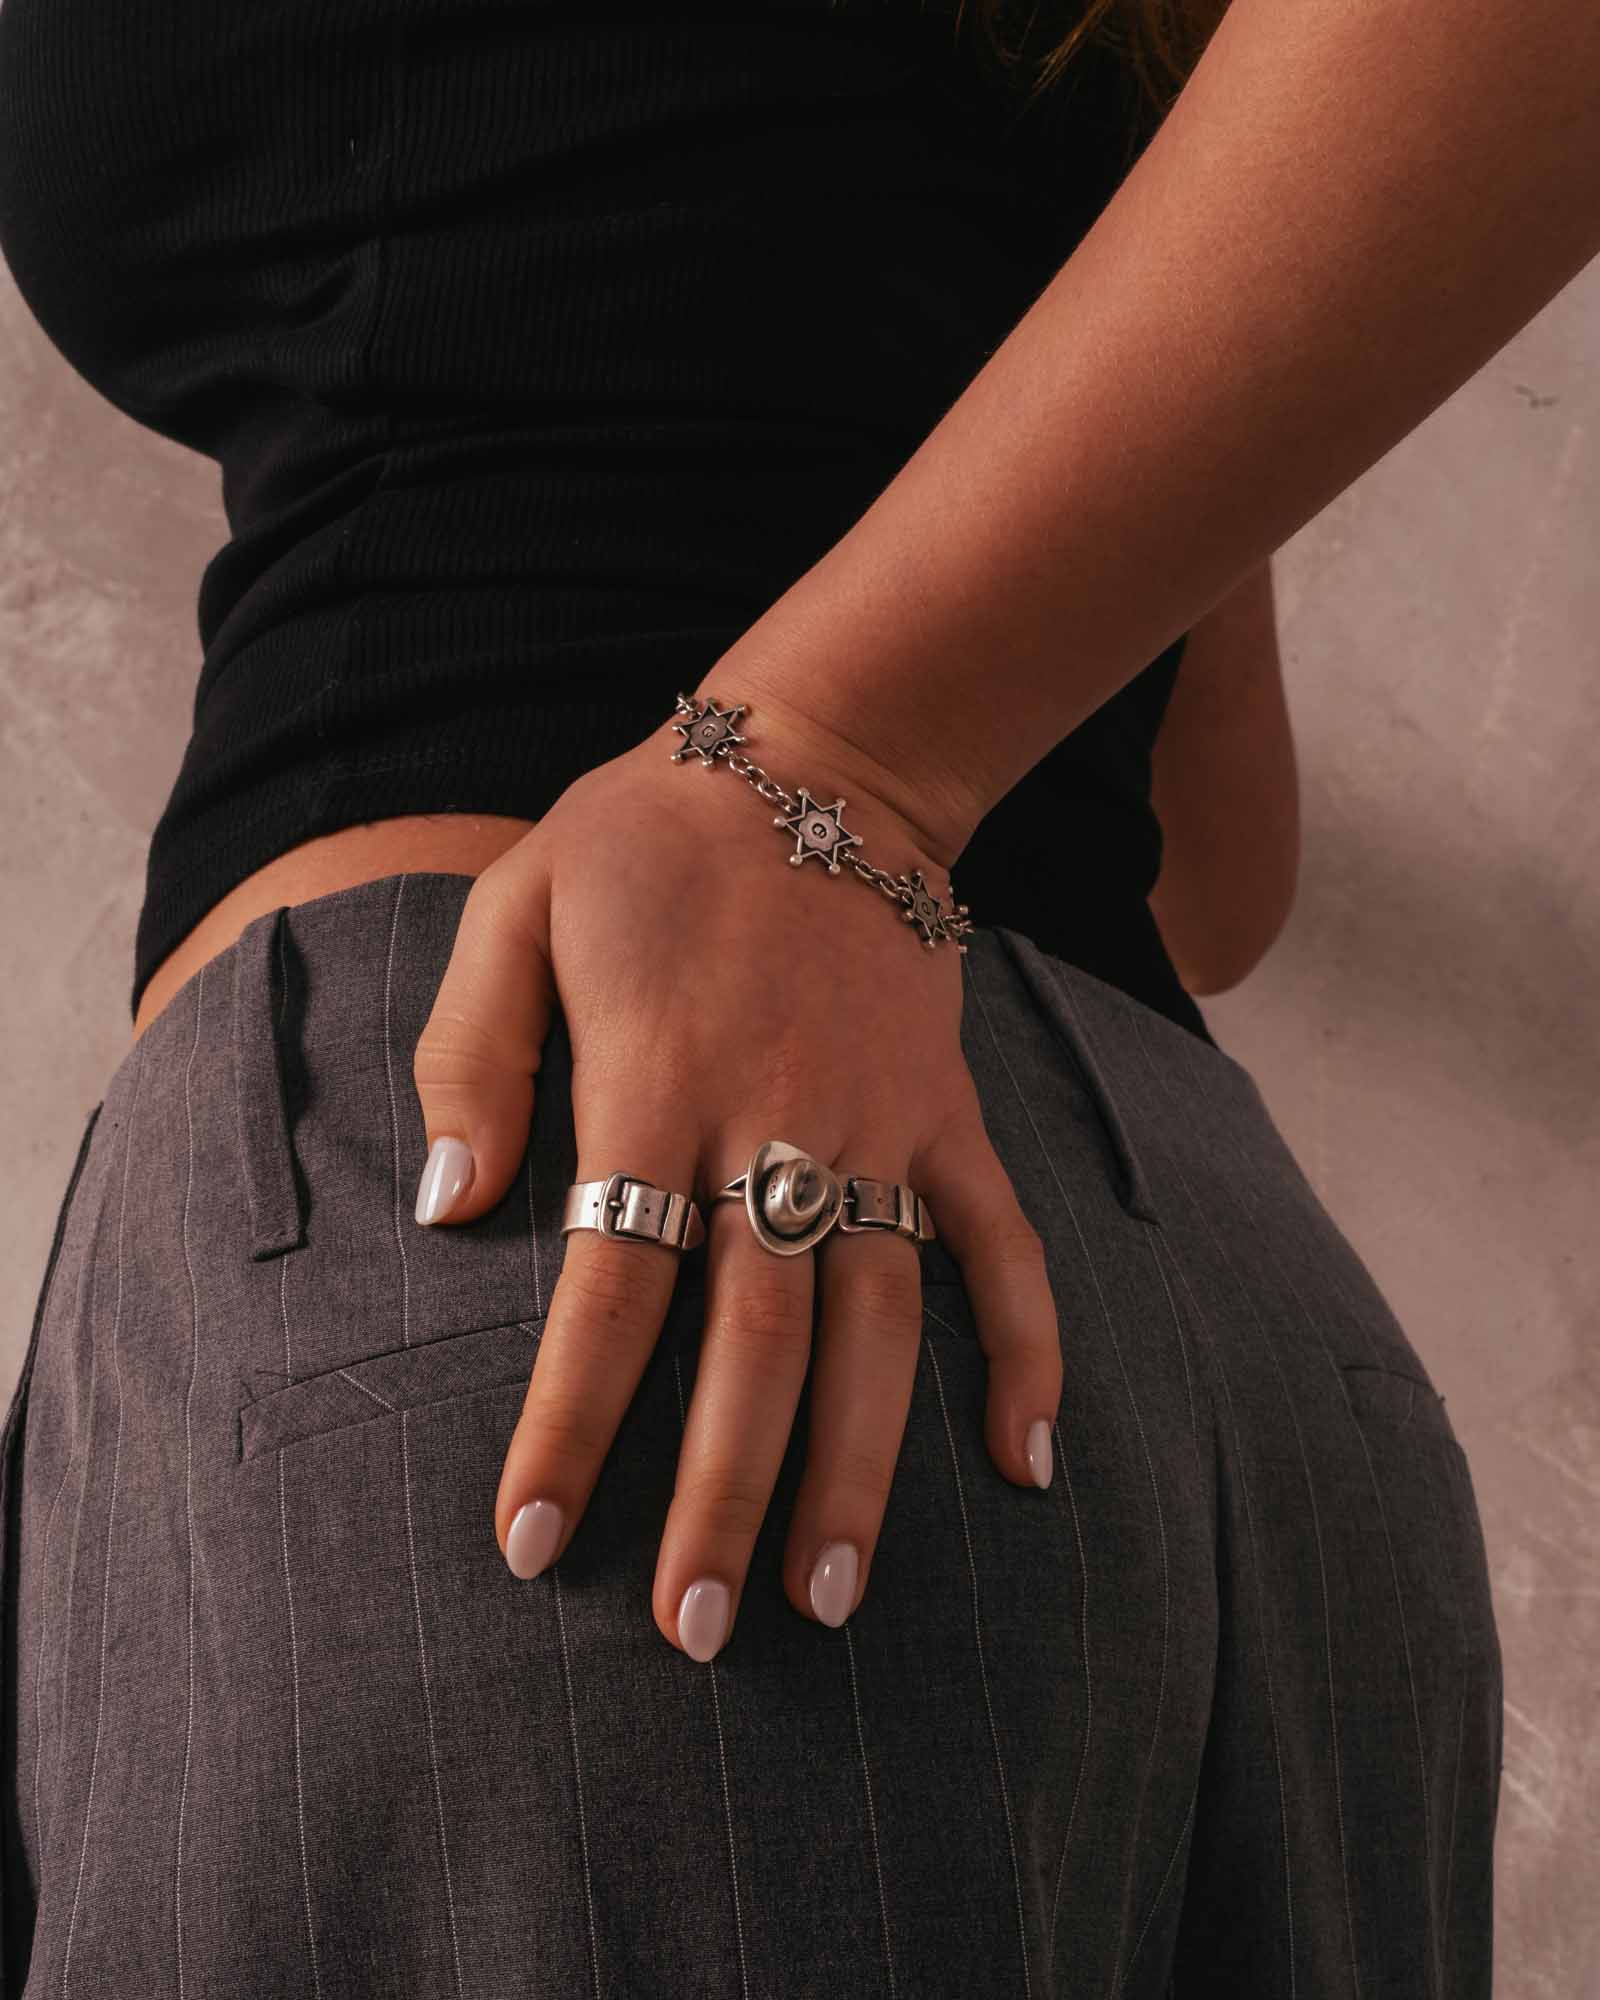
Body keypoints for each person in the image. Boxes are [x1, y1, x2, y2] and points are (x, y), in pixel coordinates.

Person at [4, 0, 1589, 1986]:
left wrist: (833, 760)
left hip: (579, 1221)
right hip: (1228, 1364)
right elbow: (1207, 862)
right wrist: (878, 762)